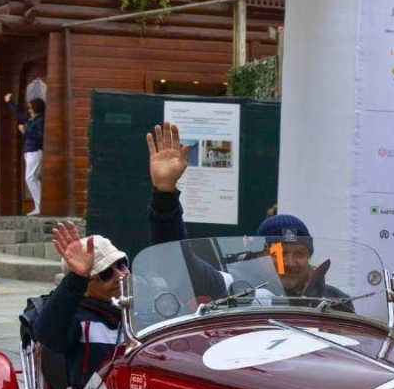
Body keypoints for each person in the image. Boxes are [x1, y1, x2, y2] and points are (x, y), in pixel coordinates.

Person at [145, 122, 351, 307]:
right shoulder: (232, 290)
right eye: (277, 253)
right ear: (258, 254)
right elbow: (179, 266)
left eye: (299, 253)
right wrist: (165, 195)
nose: (288, 262)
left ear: (310, 257)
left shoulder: (336, 302)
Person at [33, 224, 129, 389]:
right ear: (86, 286)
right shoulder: (78, 320)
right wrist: (77, 278)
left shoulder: (147, 307)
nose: (120, 276)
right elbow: (49, 334)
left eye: (121, 265)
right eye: (106, 273)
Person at [3, 92, 45, 216]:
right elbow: (19, 115)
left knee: (30, 178)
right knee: (33, 178)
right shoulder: (33, 119)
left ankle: (40, 207)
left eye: (30, 107)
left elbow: (39, 137)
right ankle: (40, 205)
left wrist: (25, 131)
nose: (28, 109)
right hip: (30, 151)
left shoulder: (40, 121)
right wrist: (9, 102)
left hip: (35, 151)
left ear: (35, 108)